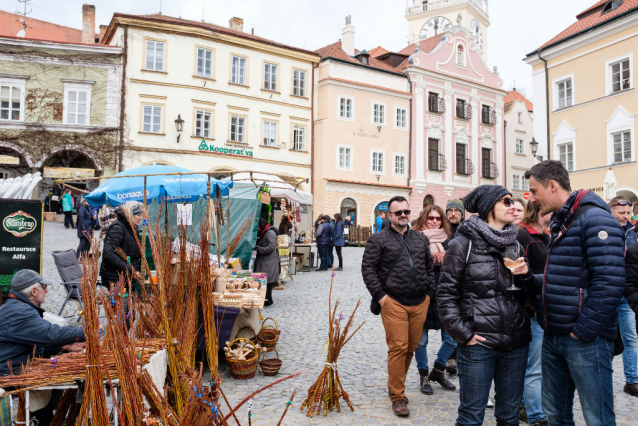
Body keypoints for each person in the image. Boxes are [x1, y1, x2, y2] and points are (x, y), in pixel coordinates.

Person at [525, 160, 625, 425]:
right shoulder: (565, 219)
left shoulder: (595, 219)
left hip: (584, 339)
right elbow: (566, 277)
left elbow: (610, 283)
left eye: (534, 191)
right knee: (556, 414)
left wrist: (581, 331)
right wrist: (528, 278)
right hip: (555, 334)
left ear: (553, 185)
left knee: (597, 417)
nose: (532, 199)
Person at [438, 185, 535, 426]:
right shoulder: (463, 244)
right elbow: (445, 294)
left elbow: (526, 298)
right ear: (488, 207)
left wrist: (525, 276)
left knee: (509, 416)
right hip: (479, 343)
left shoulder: (514, 243)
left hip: (515, 342)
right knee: (471, 416)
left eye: (512, 201)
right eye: (506, 201)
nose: (512, 206)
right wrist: (463, 333)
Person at [362, 196, 434, 417]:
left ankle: (395, 384)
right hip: (394, 302)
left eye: (406, 212)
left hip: (420, 302)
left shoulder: (420, 239)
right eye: (398, 212)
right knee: (398, 348)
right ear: (390, 216)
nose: (403, 215)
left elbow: (429, 267)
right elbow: (368, 269)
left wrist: (430, 293)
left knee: (411, 348)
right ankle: (398, 396)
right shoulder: (378, 239)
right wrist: (381, 297)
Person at [0, 270, 86, 424]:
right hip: (7, 371)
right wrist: (86, 331)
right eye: (44, 287)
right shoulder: (19, 312)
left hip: (15, 364)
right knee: (53, 385)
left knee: (53, 384)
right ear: (34, 291)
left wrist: (63, 348)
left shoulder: (19, 307)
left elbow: (33, 345)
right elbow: (50, 334)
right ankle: (42, 420)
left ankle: (44, 420)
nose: (46, 290)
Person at [413, 205, 456, 395]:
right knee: (421, 341)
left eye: (438, 218)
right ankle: (423, 376)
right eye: (431, 218)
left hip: (446, 296)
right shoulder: (415, 240)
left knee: (452, 338)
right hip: (423, 295)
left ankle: (438, 370)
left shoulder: (449, 241)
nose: (434, 221)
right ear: (424, 218)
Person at [517, 201, 552, 426]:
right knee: (534, 367)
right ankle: (536, 415)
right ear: (539, 211)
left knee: (535, 365)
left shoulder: (548, 235)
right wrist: (532, 305)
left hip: (546, 311)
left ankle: (524, 404)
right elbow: (520, 277)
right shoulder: (523, 236)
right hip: (532, 312)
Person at [608, 196, 638, 397]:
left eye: (628, 213)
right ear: (611, 210)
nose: (625, 216)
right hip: (608, 292)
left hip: (627, 294)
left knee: (631, 337)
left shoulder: (632, 233)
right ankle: (600, 378)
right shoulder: (604, 231)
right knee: (606, 338)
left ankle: (632, 380)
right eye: (621, 213)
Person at [100, 201, 143, 289]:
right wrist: (130, 270)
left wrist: (135, 271)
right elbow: (108, 253)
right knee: (119, 302)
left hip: (127, 276)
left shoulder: (132, 228)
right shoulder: (117, 227)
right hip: (115, 277)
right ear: (131, 214)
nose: (141, 218)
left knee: (127, 302)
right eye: (138, 215)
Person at [444, 198, 464, 375]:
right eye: (450, 210)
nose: (453, 213)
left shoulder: (466, 231)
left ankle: (455, 357)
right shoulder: (442, 232)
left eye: (456, 210)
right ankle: (450, 357)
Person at [255, 218, 280, 306]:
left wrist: (259, 249)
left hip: (268, 262)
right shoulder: (265, 232)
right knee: (265, 281)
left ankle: (268, 301)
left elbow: (271, 247)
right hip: (265, 261)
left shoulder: (270, 233)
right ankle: (266, 300)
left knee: (267, 281)